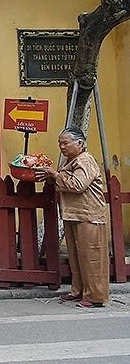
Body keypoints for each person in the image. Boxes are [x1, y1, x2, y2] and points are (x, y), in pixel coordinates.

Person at [35, 127, 109, 309]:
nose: (62, 147)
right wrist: (53, 178)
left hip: (89, 215)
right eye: (60, 143)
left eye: (65, 143)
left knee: (92, 258)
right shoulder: (71, 160)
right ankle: (78, 290)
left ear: (80, 143)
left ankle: (95, 297)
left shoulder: (85, 160)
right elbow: (65, 182)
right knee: (76, 256)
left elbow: (78, 185)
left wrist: (56, 175)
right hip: (74, 214)